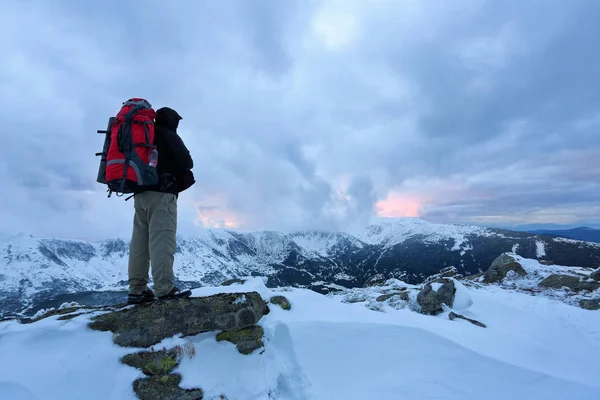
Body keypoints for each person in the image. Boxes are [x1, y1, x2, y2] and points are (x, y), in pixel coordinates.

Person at [127, 106, 195, 304]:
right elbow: (187, 161)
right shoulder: (167, 135)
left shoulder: (144, 136)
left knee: (140, 242)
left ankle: (137, 289)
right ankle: (164, 288)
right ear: (172, 121)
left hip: (140, 194)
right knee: (161, 240)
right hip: (162, 194)